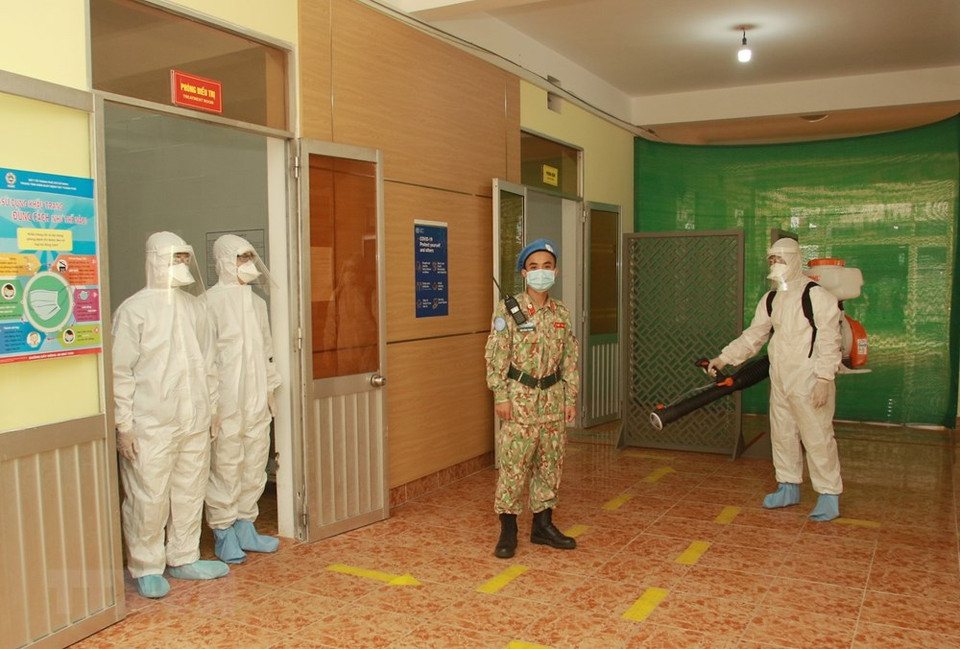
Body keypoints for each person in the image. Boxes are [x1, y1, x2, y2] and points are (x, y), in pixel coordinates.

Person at [112, 231, 228, 599]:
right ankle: (146, 565)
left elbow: (210, 363)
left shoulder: (195, 308)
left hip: (193, 420)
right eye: (174, 257)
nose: (180, 265)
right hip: (151, 425)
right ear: (155, 259)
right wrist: (123, 424)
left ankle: (184, 555)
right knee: (149, 496)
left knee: (189, 490)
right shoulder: (134, 310)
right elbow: (119, 372)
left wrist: (212, 408)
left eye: (184, 257)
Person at [707, 237, 843, 521]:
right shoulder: (771, 299)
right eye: (771, 260)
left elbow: (831, 338)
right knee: (782, 433)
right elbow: (754, 335)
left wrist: (823, 378)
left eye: (779, 259)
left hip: (809, 378)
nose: (774, 265)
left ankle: (829, 494)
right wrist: (724, 358)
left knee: (817, 436)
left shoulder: (816, 295)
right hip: (781, 378)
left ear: (794, 260)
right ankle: (788, 486)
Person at [484, 238, 580, 558]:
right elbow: (496, 356)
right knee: (514, 466)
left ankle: (543, 526)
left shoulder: (562, 312)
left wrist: (570, 398)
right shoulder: (508, 310)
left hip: (552, 400)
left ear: (556, 270)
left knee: (550, 465)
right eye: (534, 267)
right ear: (524, 273)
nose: (541, 272)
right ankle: (508, 530)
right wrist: (501, 395)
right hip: (519, 401)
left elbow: (569, 359)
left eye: (547, 266)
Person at [204, 234, 281, 563]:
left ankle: (246, 523)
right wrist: (211, 406)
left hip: (254, 399)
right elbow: (205, 360)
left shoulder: (257, 303)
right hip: (226, 399)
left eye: (250, 257)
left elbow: (266, 351)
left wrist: (269, 389)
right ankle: (223, 531)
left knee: (254, 460)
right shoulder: (208, 303)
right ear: (223, 260)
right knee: (226, 463)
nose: (247, 264)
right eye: (240, 257)